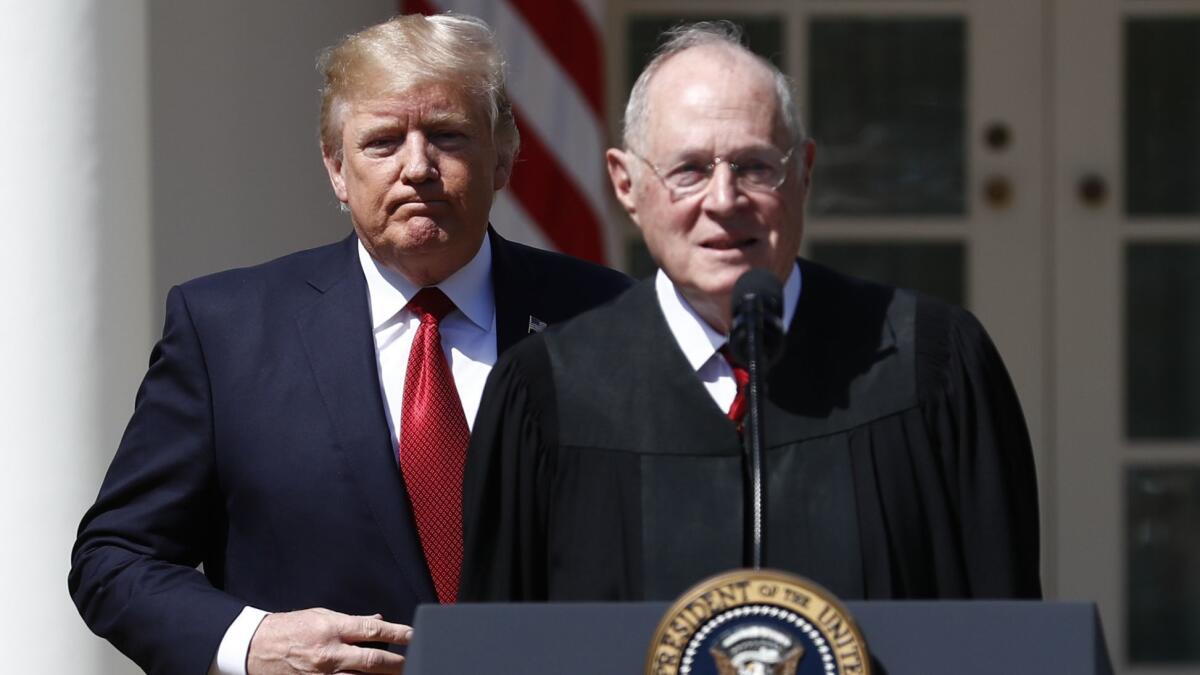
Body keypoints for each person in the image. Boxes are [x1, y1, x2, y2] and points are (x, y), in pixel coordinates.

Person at [69, 13, 630, 675]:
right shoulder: (227, 331)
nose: (417, 167)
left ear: (504, 156)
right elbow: (115, 557)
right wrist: (253, 641)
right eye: (384, 141)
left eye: (448, 136)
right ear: (337, 168)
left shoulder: (606, 317)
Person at [460, 22, 1041, 604]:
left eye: (755, 166)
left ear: (805, 172)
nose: (723, 200)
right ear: (627, 184)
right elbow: (501, 647)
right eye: (687, 170)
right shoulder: (548, 392)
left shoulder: (928, 364)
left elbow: (1005, 635)